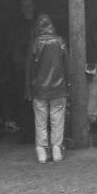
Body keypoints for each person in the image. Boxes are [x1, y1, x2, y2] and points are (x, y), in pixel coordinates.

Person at [25, 14, 69, 163]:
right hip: (59, 87)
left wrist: (28, 89)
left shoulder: (34, 43)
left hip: (39, 88)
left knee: (40, 120)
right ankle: (57, 148)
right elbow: (66, 64)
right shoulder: (60, 41)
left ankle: (41, 150)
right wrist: (68, 84)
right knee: (57, 118)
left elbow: (30, 69)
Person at [4, 0, 36, 143]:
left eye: (29, 5)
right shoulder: (17, 26)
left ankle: (39, 134)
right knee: (24, 102)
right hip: (22, 70)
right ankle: (27, 133)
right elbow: (14, 49)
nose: (27, 8)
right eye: (24, 6)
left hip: (38, 70)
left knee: (39, 102)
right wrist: (22, 66)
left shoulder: (39, 23)